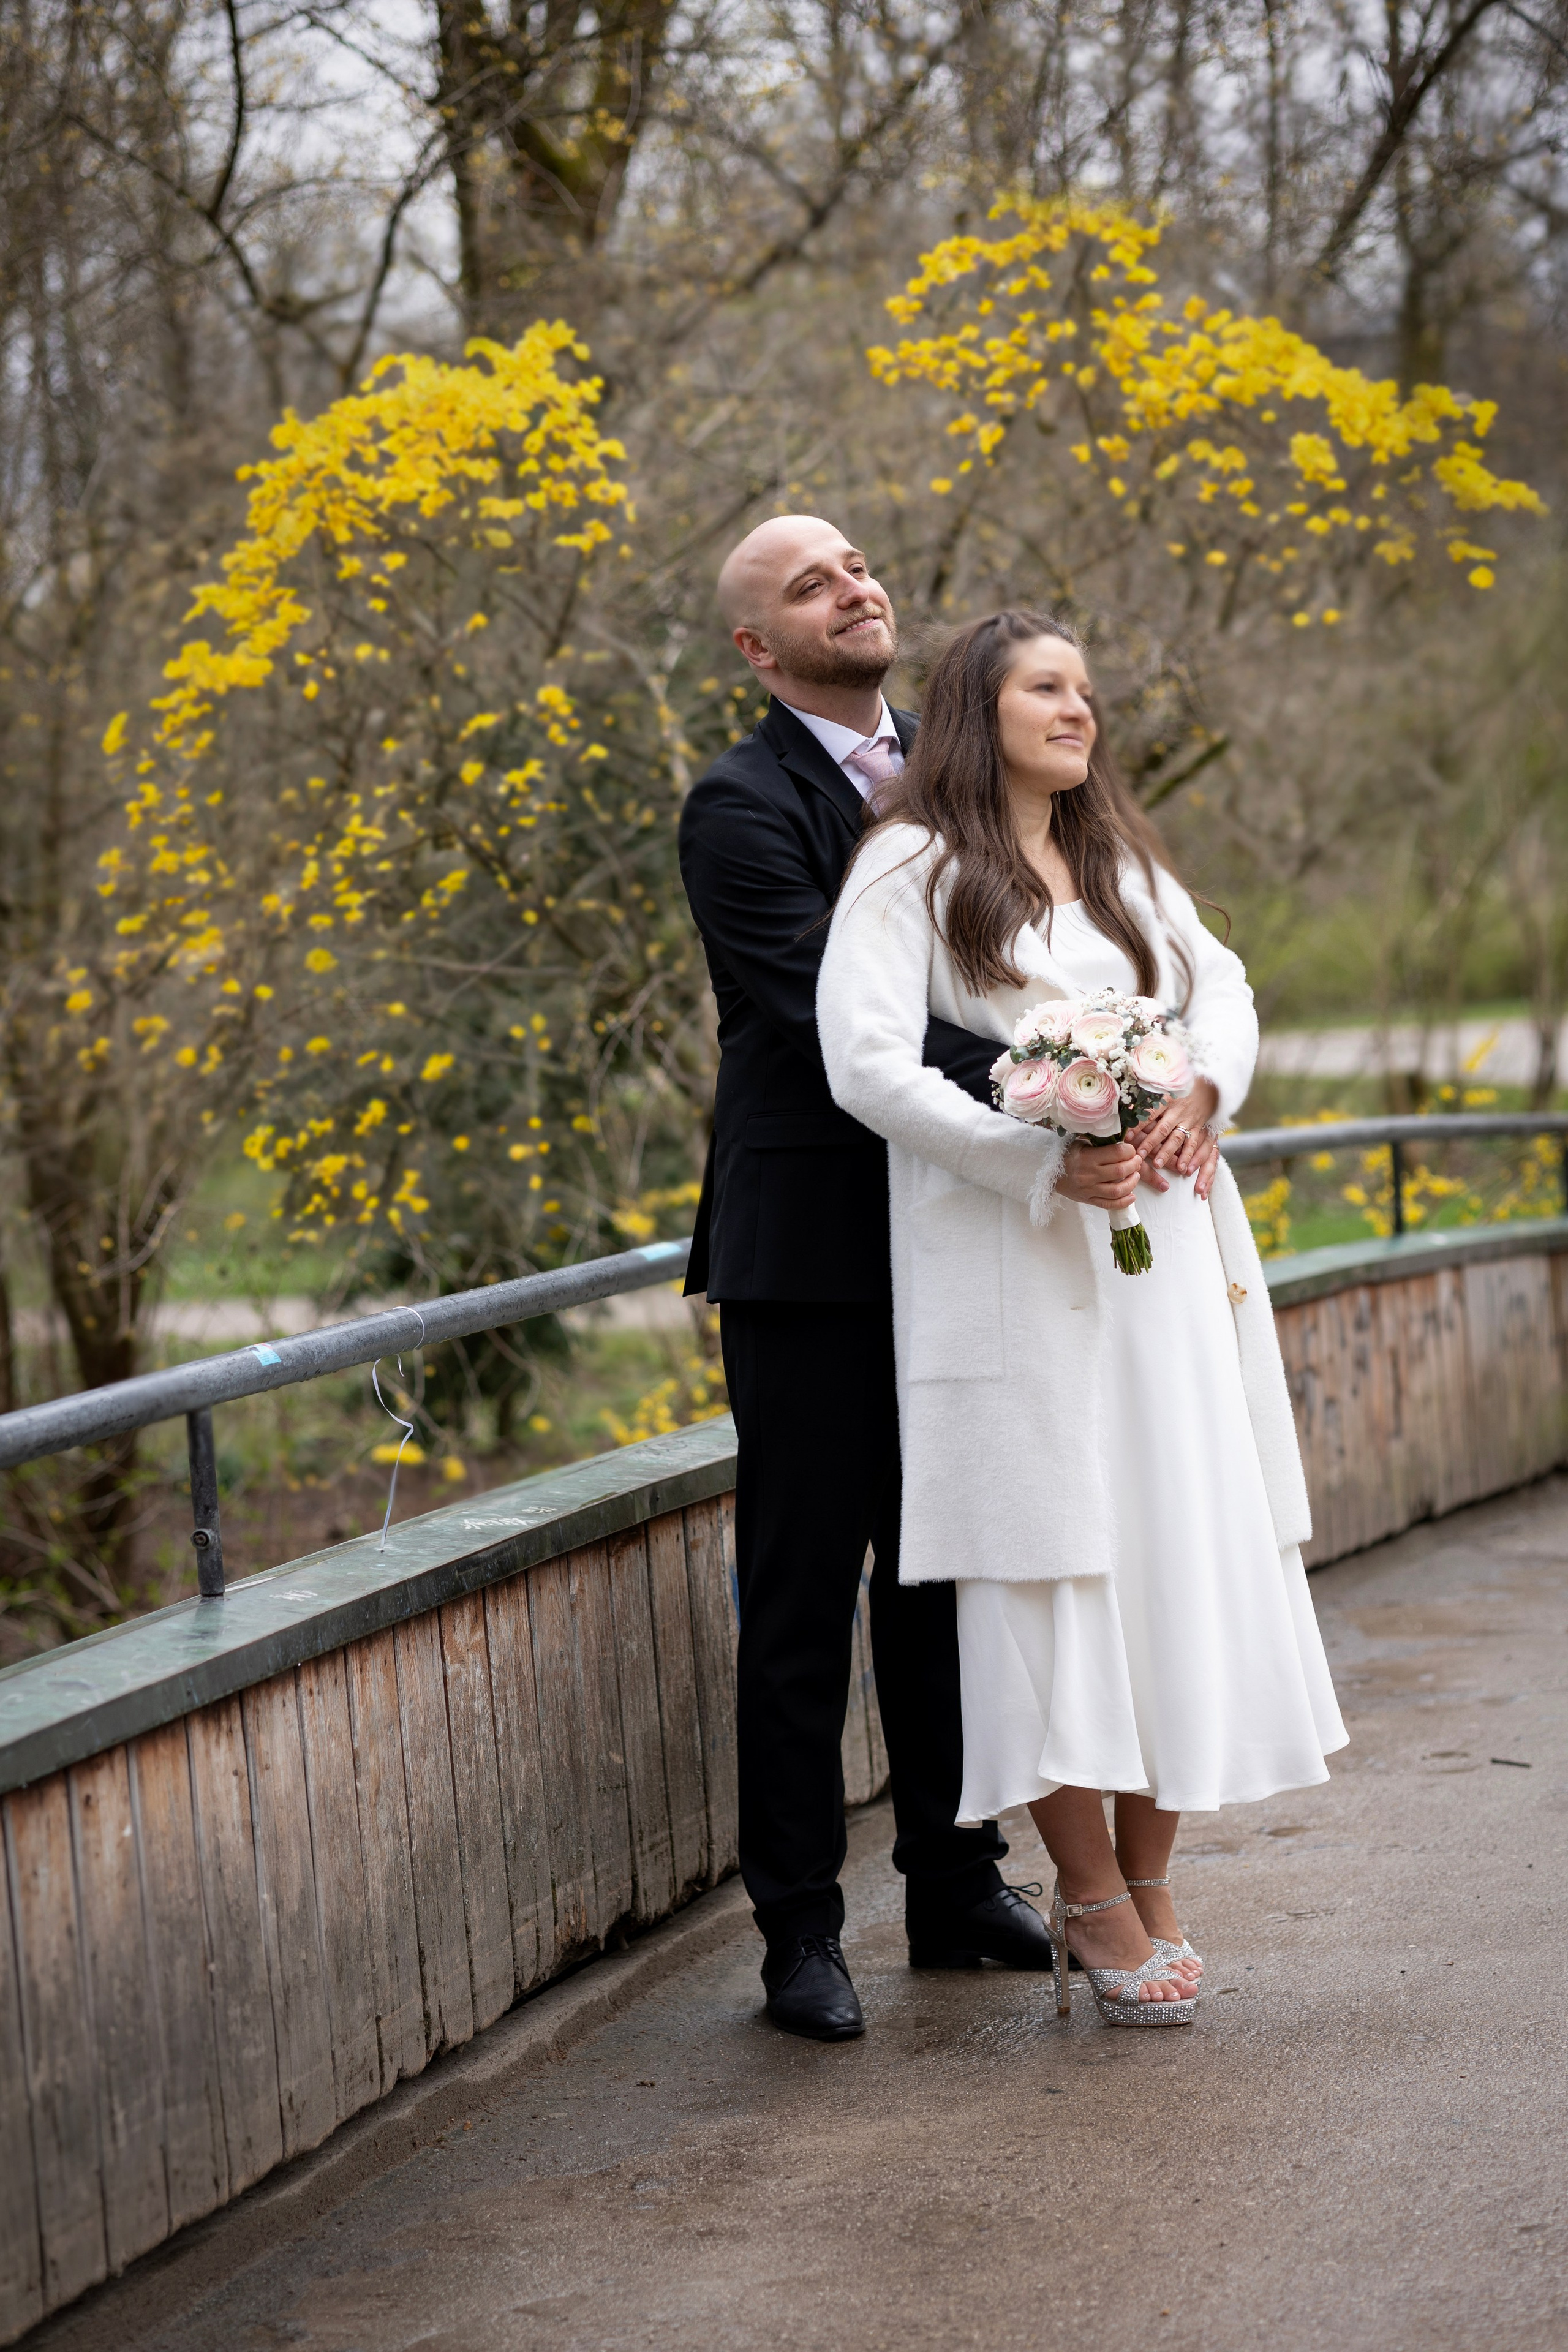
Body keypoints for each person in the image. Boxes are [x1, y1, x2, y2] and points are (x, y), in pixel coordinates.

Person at [816, 608, 1347, 2026]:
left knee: (1171, 1551)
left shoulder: (1116, 861)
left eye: (1086, 690)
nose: (1078, 709)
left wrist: (1198, 1094)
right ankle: (1088, 1895)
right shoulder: (909, 867)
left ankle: (1153, 1879)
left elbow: (1218, 989)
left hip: (1164, 1258)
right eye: (1046, 687)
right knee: (1052, 1573)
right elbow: (863, 1066)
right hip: (1013, 1261)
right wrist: (1036, 1153)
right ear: (973, 707)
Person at [679, 518, 1061, 2042]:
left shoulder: (964, 779)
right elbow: (845, 1023)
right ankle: (796, 1936)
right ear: (757, 651)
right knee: (796, 1602)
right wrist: (1071, 1080)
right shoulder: (736, 805)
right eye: (807, 586)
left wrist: (1097, 1042)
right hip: (814, 1260)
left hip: (958, 1235)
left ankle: (956, 1884)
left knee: (945, 1574)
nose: (853, 588)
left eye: (854, 565)